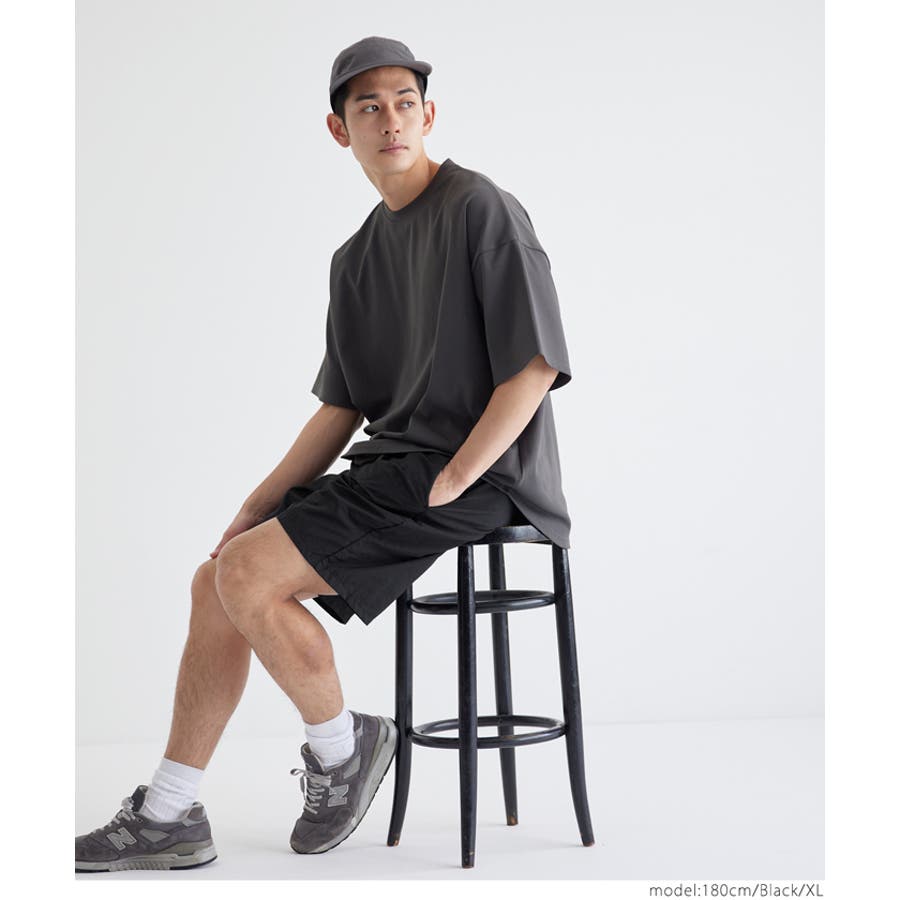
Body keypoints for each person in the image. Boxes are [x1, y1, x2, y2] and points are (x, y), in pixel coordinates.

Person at [75, 35, 573, 872]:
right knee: (216, 577)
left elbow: (533, 366)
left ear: (429, 114)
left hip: (482, 477)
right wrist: (256, 505)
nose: (390, 121)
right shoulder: (355, 259)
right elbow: (341, 406)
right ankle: (170, 811)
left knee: (246, 576)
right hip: (395, 470)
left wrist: (459, 473)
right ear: (341, 130)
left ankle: (343, 752)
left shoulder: (480, 208)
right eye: (369, 108)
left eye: (404, 103)